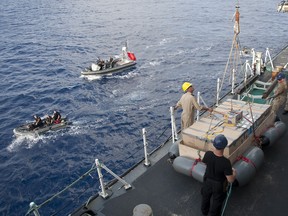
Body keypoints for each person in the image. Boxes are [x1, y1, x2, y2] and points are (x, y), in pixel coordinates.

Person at [201, 134, 236, 216]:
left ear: (214, 145)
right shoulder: (226, 162)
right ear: (224, 147)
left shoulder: (208, 154)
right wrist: (234, 173)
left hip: (207, 182)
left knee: (205, 198)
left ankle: (204, 212)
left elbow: (205, 163)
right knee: (217, 202)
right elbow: (230, 180)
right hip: (218, 185)